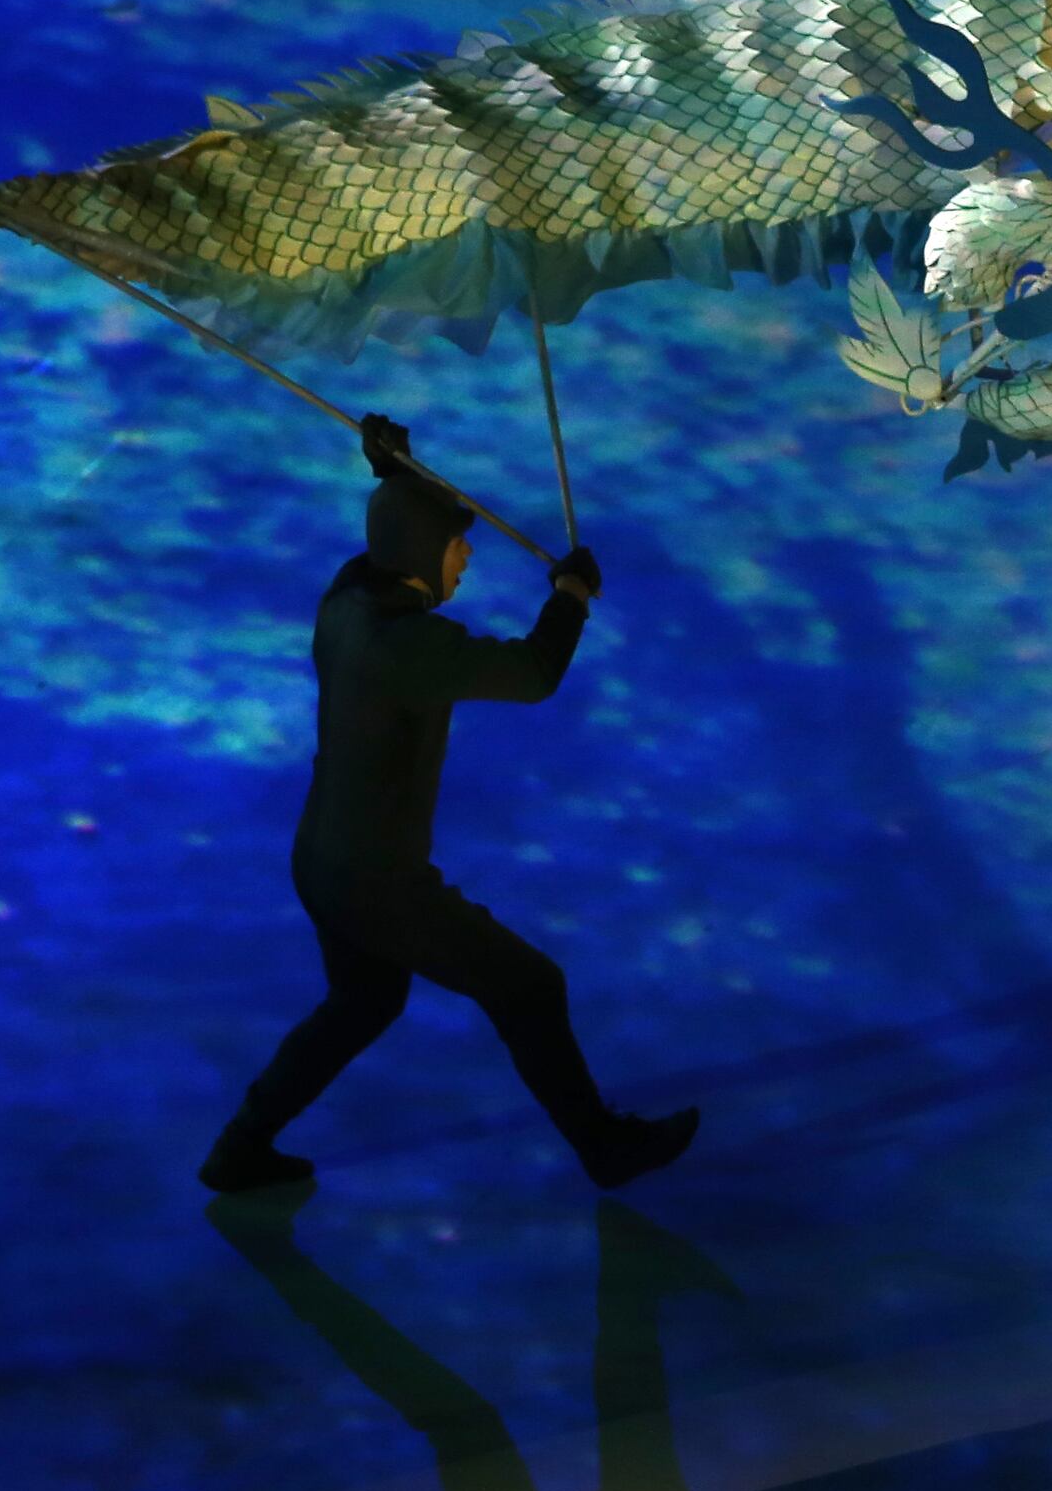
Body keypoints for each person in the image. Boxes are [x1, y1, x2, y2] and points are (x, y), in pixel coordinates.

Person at [199, 419, 696, 1193]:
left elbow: (383, 545)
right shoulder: (407, 649)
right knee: (529, 987)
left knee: (362, 1003)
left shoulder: (345, 600)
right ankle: (604, 1148)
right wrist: (569, 598)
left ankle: (239, 1149)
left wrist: (393, 475)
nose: (466, 555)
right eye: (456, 544)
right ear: (420, 553)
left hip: (323, 862)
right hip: (378, 883)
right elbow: (533, 673)